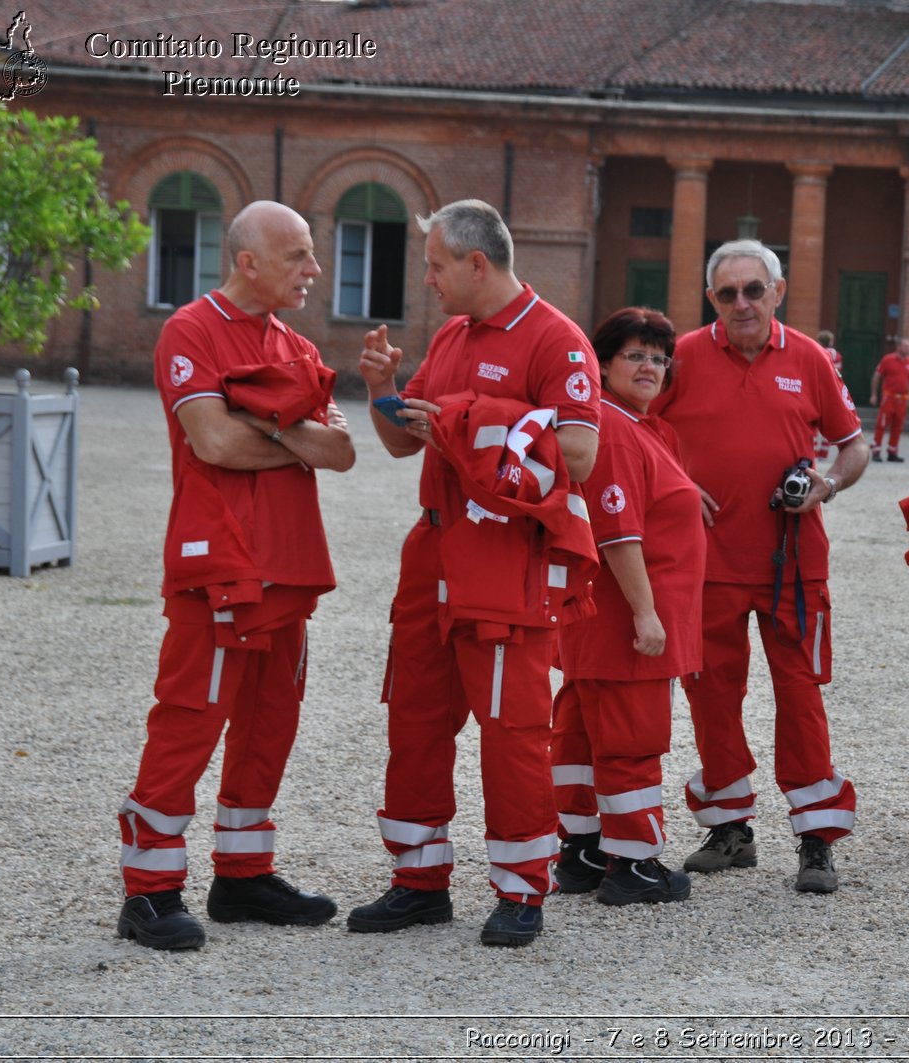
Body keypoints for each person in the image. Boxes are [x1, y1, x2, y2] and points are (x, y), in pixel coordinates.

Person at [350, 199, 601, 948]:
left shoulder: (557, 341)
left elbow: (581, 456)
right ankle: (418, 882)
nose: (427, 279)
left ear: (476, 263)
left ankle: (522, 890)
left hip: (503, 557)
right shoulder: (454, 335)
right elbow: (406, 445)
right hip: (430, 549)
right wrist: (379, 391)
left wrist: (463, 417)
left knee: (513, 729)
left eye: (434, 265)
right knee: (416, 717)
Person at [117, 201, 356, 951]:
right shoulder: (189, 329)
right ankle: (148, 890)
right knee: (191, 717)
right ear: (248, 261)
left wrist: (270, 424)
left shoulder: (295, 341)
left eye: (314, 255)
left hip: (287, 564)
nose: (314, 270)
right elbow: (214, 441)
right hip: (216, 563)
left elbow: (344, 453)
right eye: (299, 257)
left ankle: (242, 876)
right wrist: (293, 434)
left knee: (269, 721)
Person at [654, 238, 869, 894]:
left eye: (754, 289)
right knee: (712, 696)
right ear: (711, 298)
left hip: (792, 565)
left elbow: (854, 445)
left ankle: (815, 838)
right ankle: (730, 829)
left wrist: (826, 484)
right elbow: (634, 430)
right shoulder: (682, 357)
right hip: (708, 565)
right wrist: (679, 485)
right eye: (727, 292)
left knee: (800, 696)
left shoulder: (807, 357)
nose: (741, 303)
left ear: (778, 292)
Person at [551, 307, 703, 906]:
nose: (649, 366)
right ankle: (633, 864)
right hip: (623, 619)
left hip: (598, 621)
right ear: (604, 363)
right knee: (630, 739)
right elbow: (618, 531)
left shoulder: (632, 425)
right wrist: (646, 613)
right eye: (634, 355)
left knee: (584, 737)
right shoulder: (613, 428)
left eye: (658, 358)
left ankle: (584, 849)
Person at [871, 338, 909, 463]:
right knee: (882, 424)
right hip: (889, 398)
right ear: (899, 347)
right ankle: (876, 450)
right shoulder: (888, 360)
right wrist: (874, 394)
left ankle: (892, 452)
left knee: (898, 426)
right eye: (905, 346)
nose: (908, 349)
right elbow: (877, 376)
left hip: (902, 399)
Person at [813, 329, 847, 460]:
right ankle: (824, 453)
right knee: (827, 420)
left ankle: (814, 451)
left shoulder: (816, 350)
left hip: (817, 387)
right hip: (831, 389)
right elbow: (838, 371)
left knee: (814, 421)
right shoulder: (837, 355)